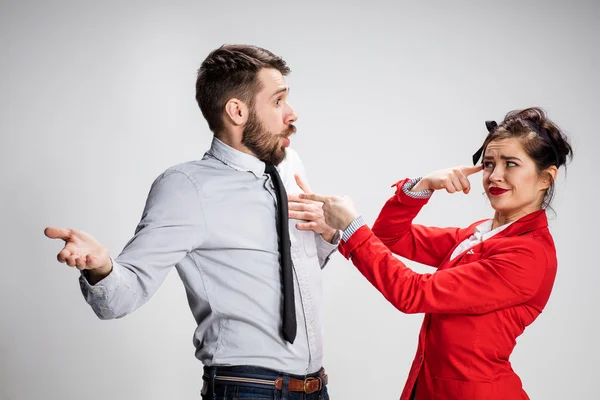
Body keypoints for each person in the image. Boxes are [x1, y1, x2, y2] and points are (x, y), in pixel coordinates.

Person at [44, 44, 338, 400]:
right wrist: (101, 267)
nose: (292, 113)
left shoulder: (289, 166)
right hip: (249, 389)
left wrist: (326, 234)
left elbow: (294, 270)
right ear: (237, 111)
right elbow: (120, 298)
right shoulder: (187, 188)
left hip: (314, 387)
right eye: (277, 101)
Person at [301, 107, 573, 400]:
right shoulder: (481, 234)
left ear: (546, 178)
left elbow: (412, 293)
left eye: (511, 164)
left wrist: (352, 226)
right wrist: (423, 185)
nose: (495, 175)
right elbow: (391, 237)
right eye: (489, 163)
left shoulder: (527, 254)